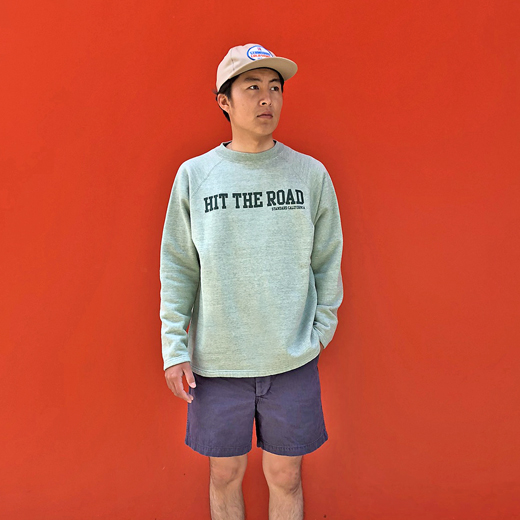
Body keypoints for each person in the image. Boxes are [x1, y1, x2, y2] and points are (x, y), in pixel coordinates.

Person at [160, 43, 343, 520]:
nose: (267, 98)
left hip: (291, 357)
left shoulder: (309, 175)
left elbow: (327, 259)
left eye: (275, 88)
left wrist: (320, 330)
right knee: (224, 475)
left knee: (286, 476)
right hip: (218, 361)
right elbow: (179, 267)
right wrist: (174, 348)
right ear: (224, 101)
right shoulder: (196, 176)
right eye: (253, 87)